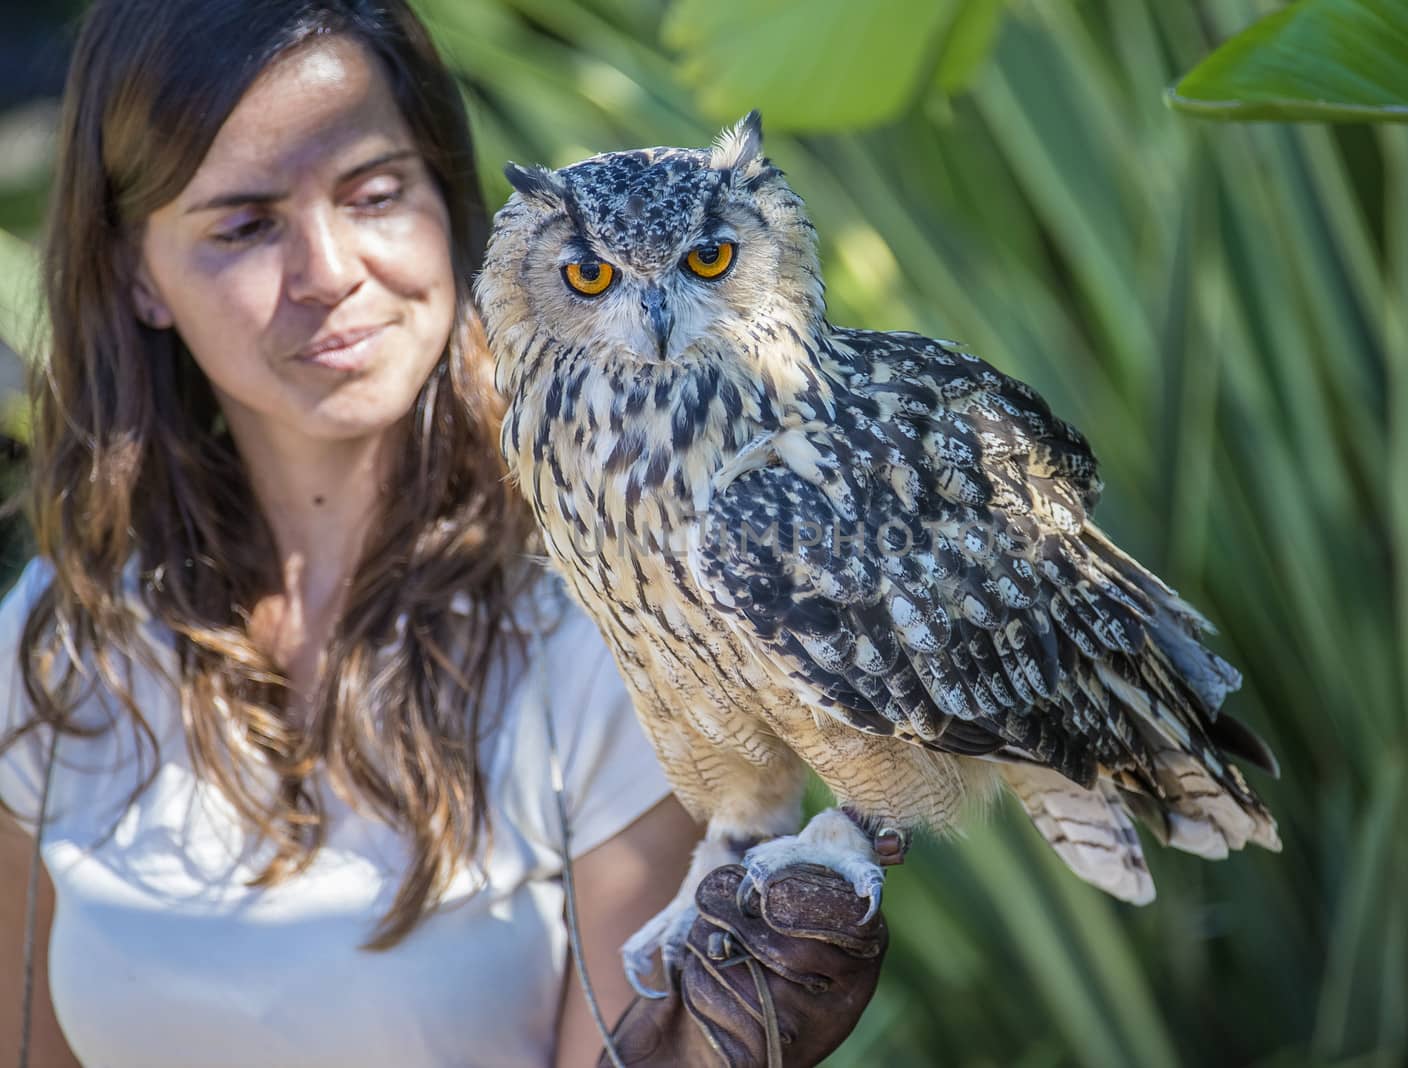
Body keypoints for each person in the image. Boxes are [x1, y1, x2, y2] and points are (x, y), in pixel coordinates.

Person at [0, 1, 886, 1065]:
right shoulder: (64, 634)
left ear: (450, 207)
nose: (329, 270)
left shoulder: (612, 624)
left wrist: (727, 1035)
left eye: (376, 194)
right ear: (139, 272)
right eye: (245, 225)